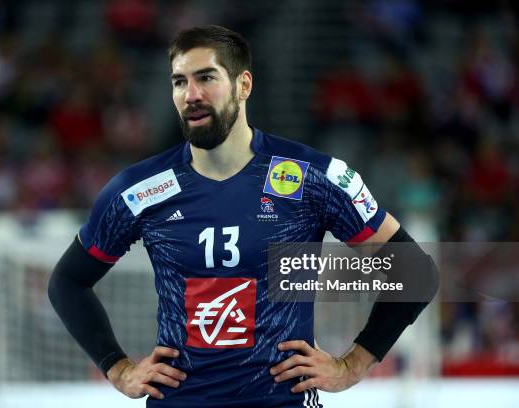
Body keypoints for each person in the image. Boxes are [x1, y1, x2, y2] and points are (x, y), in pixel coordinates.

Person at [48, 25, 438, 408]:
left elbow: (415, 272)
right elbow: (67, 281)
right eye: (179, 82)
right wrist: (118, 370)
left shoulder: (312, 177)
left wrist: (352, 365)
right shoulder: (137, 190)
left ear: (243, 85)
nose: (191, 94)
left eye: (206, 78)